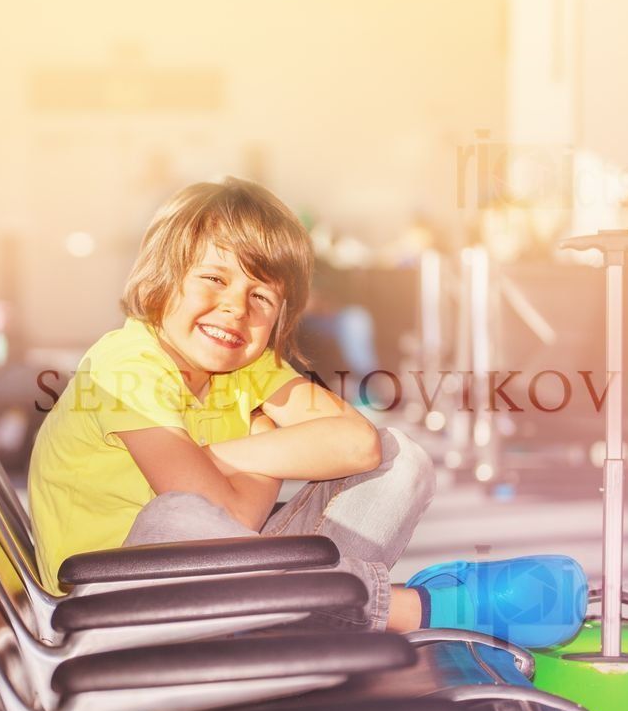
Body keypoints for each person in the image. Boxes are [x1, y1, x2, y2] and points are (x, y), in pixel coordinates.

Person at [28, 177, 586, 648]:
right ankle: (415, 608)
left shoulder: (249, 368)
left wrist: (212, 456)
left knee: (400, 459)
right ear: (161, 281)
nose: (234, 308)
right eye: (214, 279)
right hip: (113, 606)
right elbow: (221, 520)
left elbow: (357, 444)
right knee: (178, 518)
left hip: (234, 589)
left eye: (261, 298)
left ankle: (311, 611)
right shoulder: (125, 362)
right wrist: (268, 457)